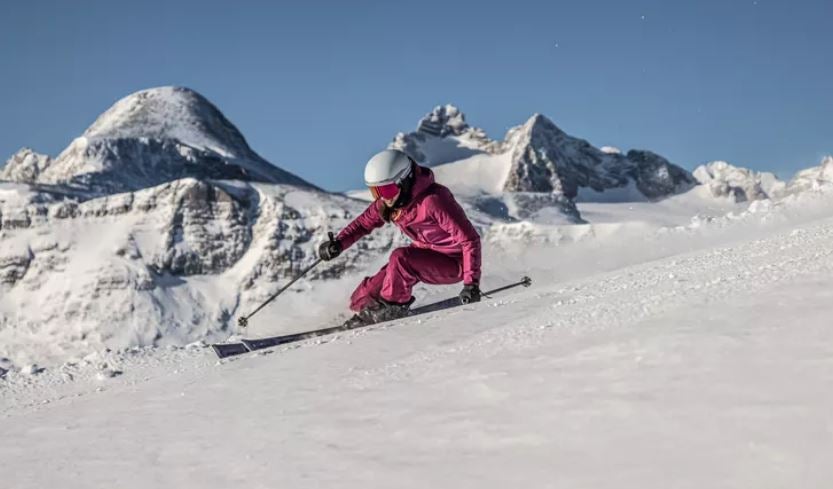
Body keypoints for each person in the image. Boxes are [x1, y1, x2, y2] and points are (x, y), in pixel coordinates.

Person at [318, 149, 482, 325]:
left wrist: (471, 284)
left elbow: (469, 239)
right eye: (376, 192)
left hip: (454, 262)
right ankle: (355, 316)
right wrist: (339, 243)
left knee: (400, 258)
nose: (382, 198)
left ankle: (392, 309)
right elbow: (363, 224)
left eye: (387, 190)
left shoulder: (433, 200)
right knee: (364, 295)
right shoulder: (390, 203)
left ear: (404, 181)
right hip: (423, 253)